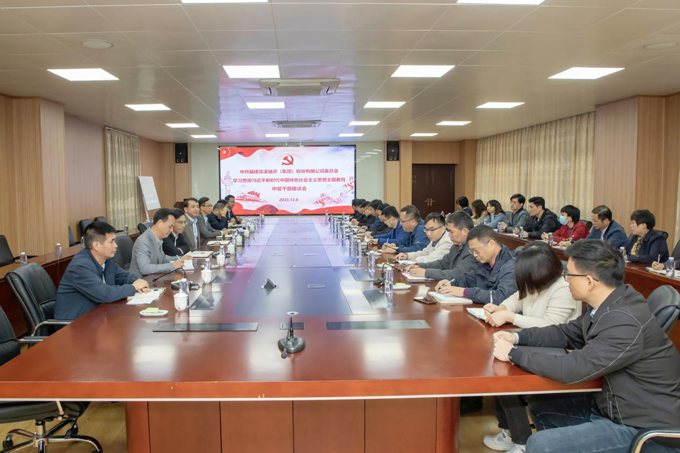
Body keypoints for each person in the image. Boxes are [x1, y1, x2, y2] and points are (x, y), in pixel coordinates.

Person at [493, 240, 680, 453]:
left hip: (642, 428)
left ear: (589, 281)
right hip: (613, 406)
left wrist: (513, 354)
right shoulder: (607, 303)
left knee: (541, 445)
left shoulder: (624, 320)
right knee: (543, 405)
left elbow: (573, 368)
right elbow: (566, 333)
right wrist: (518, 338)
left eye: (569, 275)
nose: (566, 281)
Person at [482, 242, 581, 453]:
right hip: (534, 344)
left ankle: (521, 441)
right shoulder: (535, 283)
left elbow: (550, 325)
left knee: (505, 378)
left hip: (558, 352)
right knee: (497, 368)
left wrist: (510, 317)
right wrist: (501, 308)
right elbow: (516, 299)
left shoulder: (564, 288)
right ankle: (509, 431)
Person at [55, 222, 150, 320]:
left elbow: (124, 276)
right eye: (112, 241)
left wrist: (137, 281)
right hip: (75, 324)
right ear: (96, 245)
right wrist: (134, 287)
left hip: (98, 316)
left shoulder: (106, 260)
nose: (116, 245)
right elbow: (105, 294)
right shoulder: (80, 267)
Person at [436, 225, 517, 305]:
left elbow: (500, 297)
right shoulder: (484, 263)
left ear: (491, 244)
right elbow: (467, 279)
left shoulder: (511, 266)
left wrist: (465, 292)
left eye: (476, 250)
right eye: (472, 251)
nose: (475, 255)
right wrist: (450, 282)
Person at [404, 212, 478, 280]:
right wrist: (420, 266)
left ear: (464, 231)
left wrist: (426, 273)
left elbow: (457, 273)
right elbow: (442, 264)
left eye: (451, 232)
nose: (449, 235)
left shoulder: (473, 250)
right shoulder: (456, 246)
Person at [129, 208, 190, 277]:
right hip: (142, 280)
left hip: (154, 278)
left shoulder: (157, 237)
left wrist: (180, 258)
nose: (171, 230)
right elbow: (145, 268)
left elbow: (162, 258)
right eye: (170, 227)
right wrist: (172, 266)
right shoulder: (143, 241)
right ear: (159, 223)